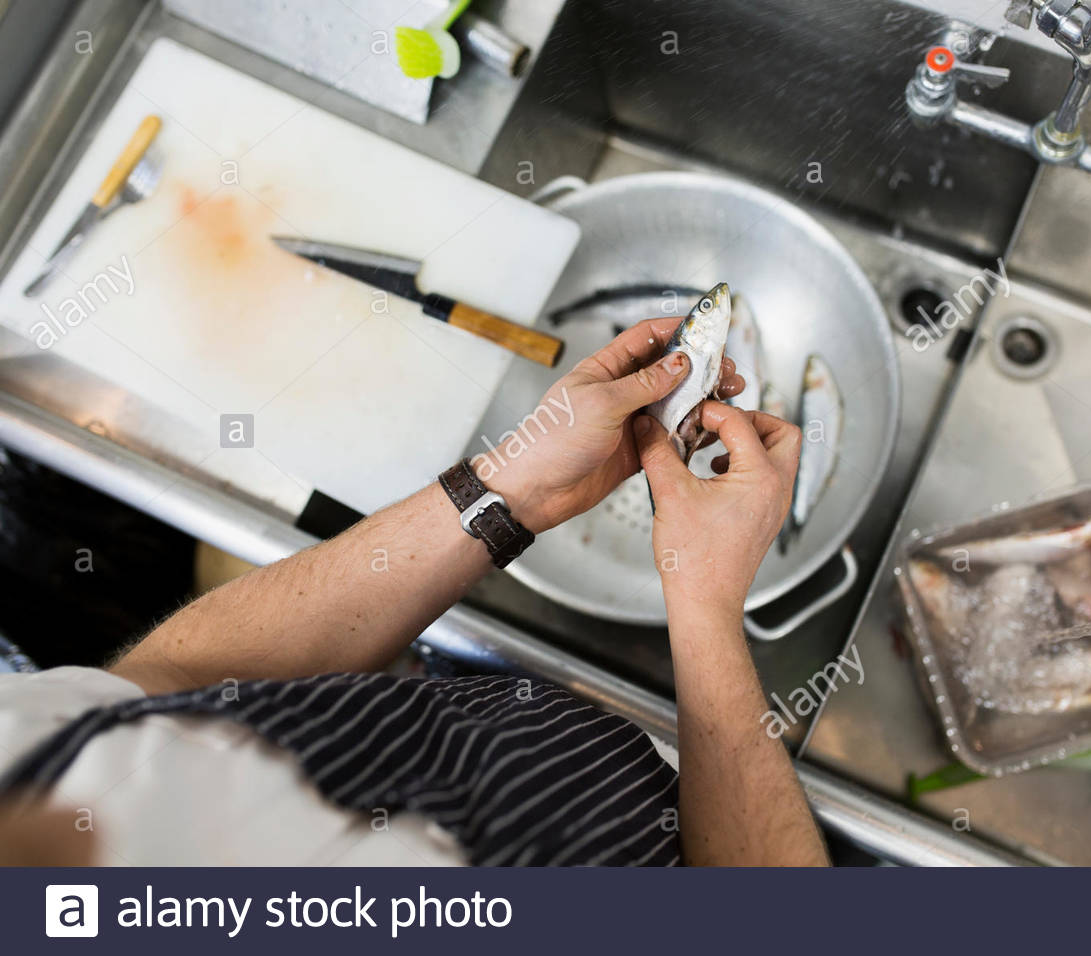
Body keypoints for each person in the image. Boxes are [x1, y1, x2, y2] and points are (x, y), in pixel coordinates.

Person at [0, 316, 828, 867]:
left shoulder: (18, 758)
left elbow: (184, 677)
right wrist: (704, 600)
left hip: (545, 741)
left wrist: (511, 492)